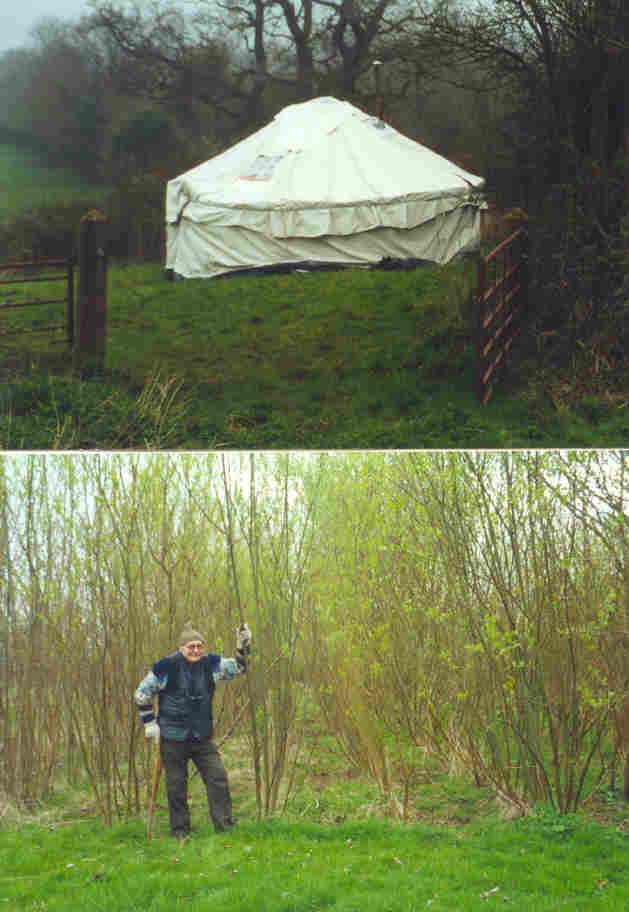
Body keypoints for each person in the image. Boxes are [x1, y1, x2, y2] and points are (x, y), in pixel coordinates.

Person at [135, 621, 252, 839]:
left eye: (200, 646)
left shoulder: (211, 664)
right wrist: (150, 724)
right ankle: (180, 832)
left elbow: (239, 667)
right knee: (176, 786)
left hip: (201, 736)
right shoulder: (165, 666)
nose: (196, 650)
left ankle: (225, 827)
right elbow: (142, 693)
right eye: (191, 647)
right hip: (172, 737)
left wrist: (242, 644)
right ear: (182, 648)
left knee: (217, 778)